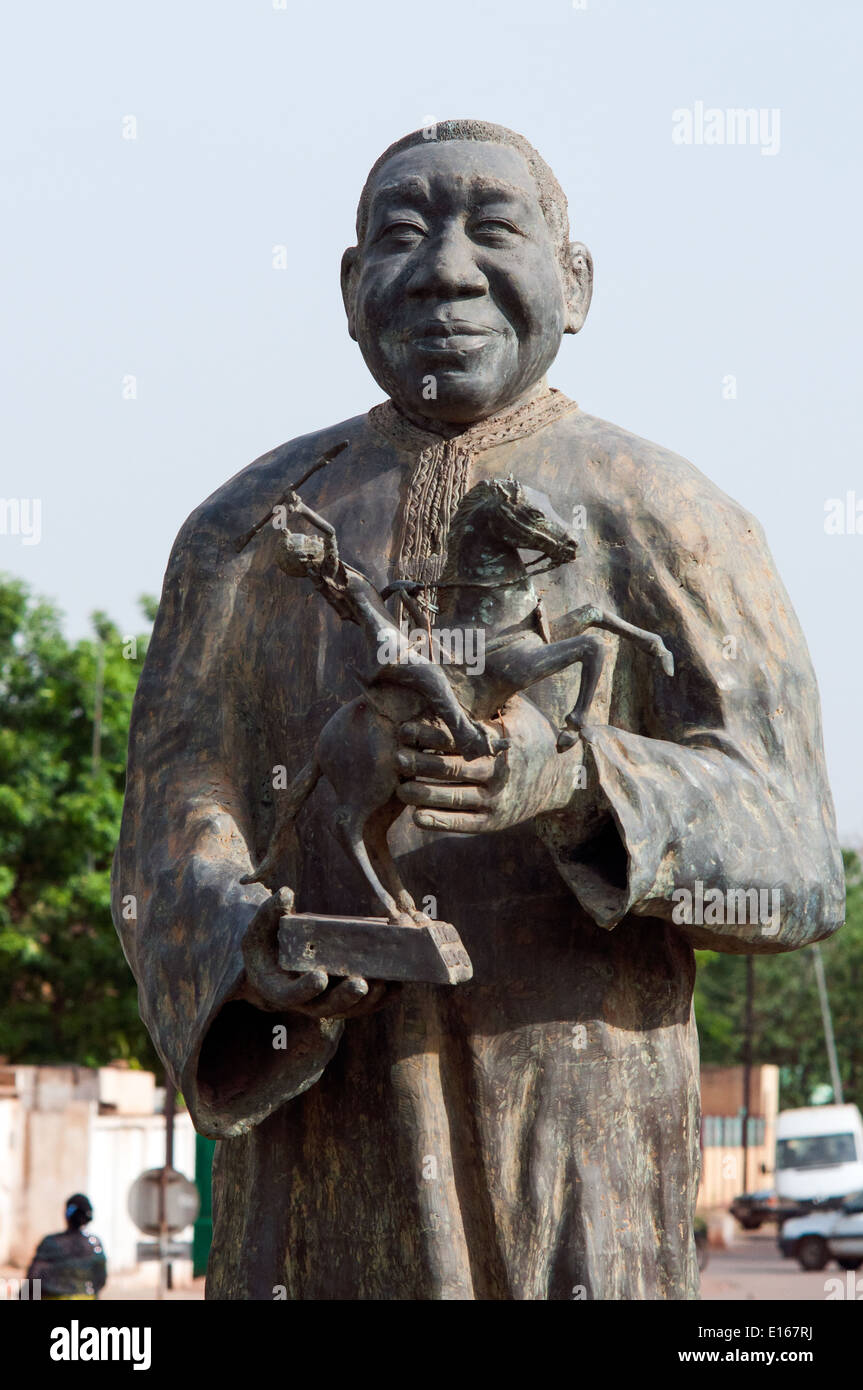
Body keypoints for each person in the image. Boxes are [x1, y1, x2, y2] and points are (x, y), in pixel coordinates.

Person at [113, 119, 843, 1299]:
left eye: (492, 228)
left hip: (573, 1155)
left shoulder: (666, 515)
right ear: (351, 292)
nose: (444, 267)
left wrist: (573, 782)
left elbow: (799, 861)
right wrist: (252, 946)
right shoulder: (242, 533)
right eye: (400, 236)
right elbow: (168, 819)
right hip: (317, 1164)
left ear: (576, 282)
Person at [26, 1194, 107, 1300]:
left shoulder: (50, 1242)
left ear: (67, 1215)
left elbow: (33, 1278)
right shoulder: (94, 1244)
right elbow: (101, 1280)